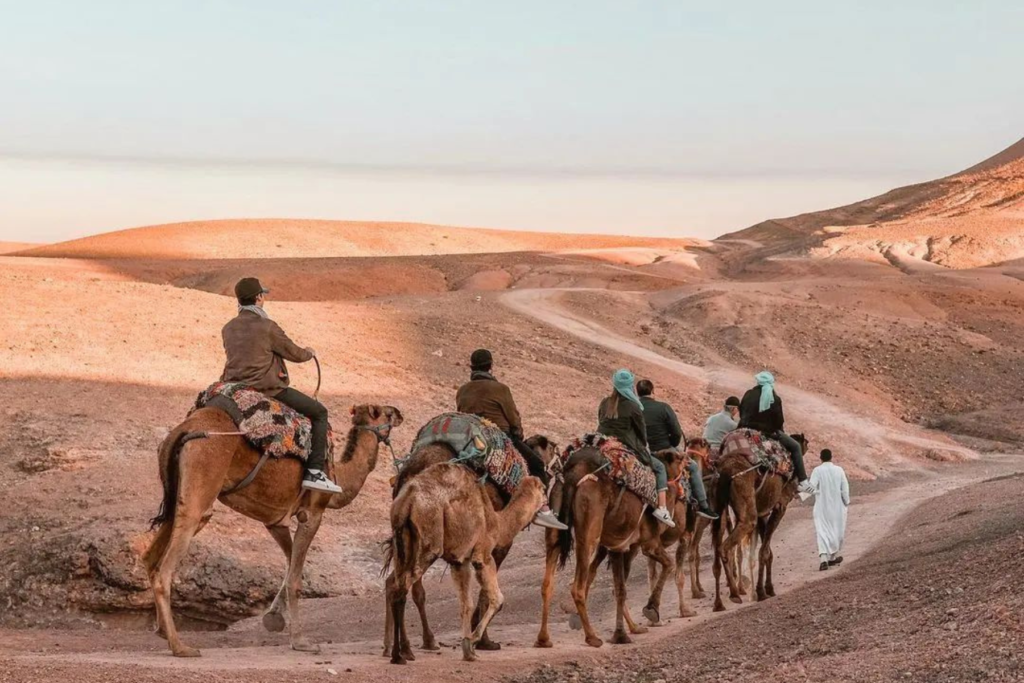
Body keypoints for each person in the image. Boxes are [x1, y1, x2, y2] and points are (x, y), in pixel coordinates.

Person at [221, 277, 342, 494]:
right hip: (268, 389)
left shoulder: (228, 328)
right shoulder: (267, 327)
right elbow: (294, 353)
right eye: (262, 295)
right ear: (258, 297)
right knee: (319, 413)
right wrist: (309, 352)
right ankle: (315, 471)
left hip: (235, 389)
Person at [456, 348, 567, 530]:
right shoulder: (501, 389)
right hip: (498, 437)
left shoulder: (462, 390)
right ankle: (541, 509)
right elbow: (513, 418)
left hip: (471, 439)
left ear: (472, 367)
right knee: (537, 464)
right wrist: (518, 435)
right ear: (491, 366)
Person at [597, 369, 675, 527]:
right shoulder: (634, 406)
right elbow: (642, 434)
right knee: (659, 467)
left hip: (601, 444)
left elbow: (600, 420)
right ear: (630, 386)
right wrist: (642, 448)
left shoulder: (605, 402)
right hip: (625, 447)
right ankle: (662, 508)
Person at [637, 379, 718, 520]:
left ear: (637, 393)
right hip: (663, 449)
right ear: (653, 391)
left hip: (641, 450)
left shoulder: (634, 408)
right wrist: (673, 445)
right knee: (692, 467)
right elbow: (676, 432)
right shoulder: (663, 407)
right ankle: (702, 505)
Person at [738, 371, 814, 497]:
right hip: (767, 432)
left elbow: (741, 413)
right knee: (795, 446)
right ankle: (803, 481)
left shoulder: (748, 394)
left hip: (744, 430)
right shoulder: (774, 398)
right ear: (770, 383)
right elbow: (779, 421)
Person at [808, 449, 850, 571]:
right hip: (837, 508)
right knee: (836, 530)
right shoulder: (839, 470)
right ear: (831, 457)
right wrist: (846, 502)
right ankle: (831, 557)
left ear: (820, 458)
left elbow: (811, 487)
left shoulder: (817, 471)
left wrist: (802, 493)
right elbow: (845, 489)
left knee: (822, 532)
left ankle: (825, 559)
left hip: (821, 507)